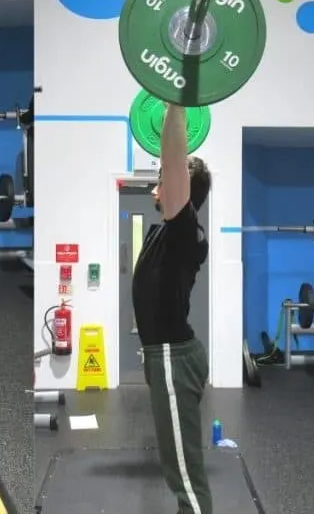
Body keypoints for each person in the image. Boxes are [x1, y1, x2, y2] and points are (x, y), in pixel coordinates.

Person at [131, 103, 213, 514]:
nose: (154, 189)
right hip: (164, 357)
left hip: (173, 359)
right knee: (174, 465)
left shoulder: (187, 233)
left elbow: (176, 164)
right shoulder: (165, 233)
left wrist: (174, 104)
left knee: (184, 475)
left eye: (161, 181)